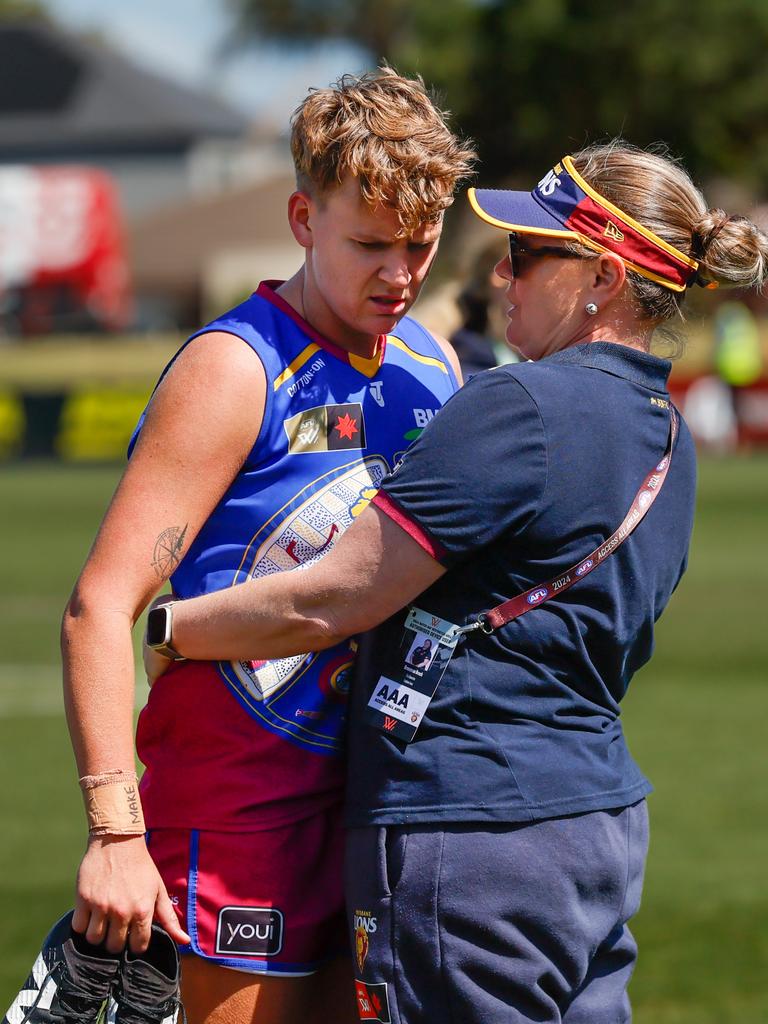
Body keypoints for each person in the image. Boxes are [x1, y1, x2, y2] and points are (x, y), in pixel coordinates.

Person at [143, 140, 768, 1023]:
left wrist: (175, 630)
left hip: (467, 840)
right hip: (596, 829)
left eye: (527, 253)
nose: (502, 274)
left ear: (603, 277)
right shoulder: (670, 433)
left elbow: (336, 595)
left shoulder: (518, 406)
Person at [60, 66, 474, 1024]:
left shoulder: (432, 361)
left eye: (421, 244)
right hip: (240, 810)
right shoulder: (233, 369)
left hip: (379, 798)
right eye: (370, 244)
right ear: (301, 216)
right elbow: (100, 606)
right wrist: (115, 833)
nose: (400, 276)